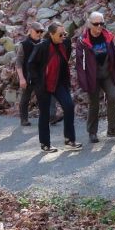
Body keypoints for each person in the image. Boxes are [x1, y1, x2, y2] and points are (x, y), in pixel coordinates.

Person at [73, 11, 115, 144]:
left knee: (113, 97)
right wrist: (83, 82)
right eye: (96, 24)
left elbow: (114, 55)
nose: (99, 26)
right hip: (92, 77)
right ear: (89, 24)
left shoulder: (107, 36)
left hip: (106, 74)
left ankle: (112, 129)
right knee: (94, 103)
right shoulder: (83, 41)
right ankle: (92, 132)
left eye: (102, 23)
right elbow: (80, 64)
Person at [30, 23, 80, 152]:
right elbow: (31, 65)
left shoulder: (66, 43)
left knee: (69, 106)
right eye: (60, 34)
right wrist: (37, 83)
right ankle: (45, 144)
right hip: (44, 84)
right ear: (51, 34)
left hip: (59, 83)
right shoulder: (42, 46)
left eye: (65, 34)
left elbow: (65, 60)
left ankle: (69, 140)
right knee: (45, 113)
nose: (63, 36)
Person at [16, 22, 45, 126]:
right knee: (25, 97)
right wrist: (21, 78)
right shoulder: (23, 44)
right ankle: (24, 119)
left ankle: (47, 117)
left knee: (43, 97)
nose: (39, 33)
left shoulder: (44, 43)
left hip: (40, 76)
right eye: (37, 31)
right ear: (31, 30)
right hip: (27, 75)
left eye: (41, 31)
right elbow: (18, 63)